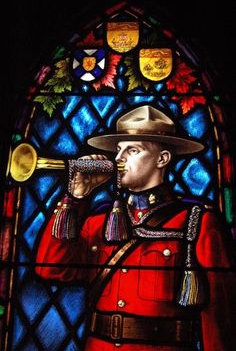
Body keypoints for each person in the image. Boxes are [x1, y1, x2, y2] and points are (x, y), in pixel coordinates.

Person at [35, 105, 236, 351]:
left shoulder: (197, 222)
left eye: (132, 150)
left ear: (162, 159)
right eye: (118, 151)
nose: (118, 159)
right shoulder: (99, 220)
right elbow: (50, 270)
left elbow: (220, 316)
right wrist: (76, 198)